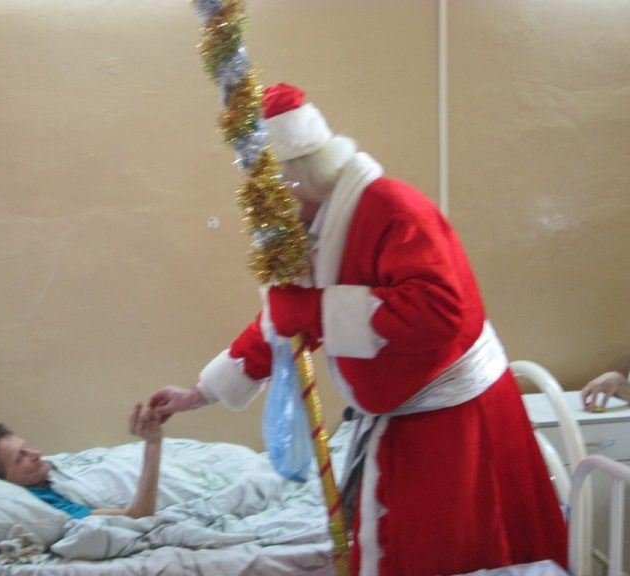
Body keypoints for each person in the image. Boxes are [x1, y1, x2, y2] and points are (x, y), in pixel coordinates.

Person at [148, 83, 567, 576]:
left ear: (297, 180)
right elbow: (284, 323)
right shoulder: (315, 225)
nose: (266, 212)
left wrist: (312, 309)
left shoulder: (394, 209)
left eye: (271, 195)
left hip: (455, 427)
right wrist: (200, 394)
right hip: (405, 423)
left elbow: (440, 310)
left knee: (453, 556)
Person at [0, 402, 162, 519]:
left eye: (27, 448)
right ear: (4, 481)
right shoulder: (46, 506)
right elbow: (138, 514)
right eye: (20, 457)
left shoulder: (48, 469)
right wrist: (153, 444)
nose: (37, 453)